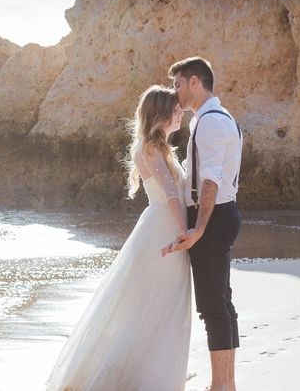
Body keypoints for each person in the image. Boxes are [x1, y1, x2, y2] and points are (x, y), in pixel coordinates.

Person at [45, 85, 191, 391]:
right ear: (162, 114)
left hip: (155, 225)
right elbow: (171, 195)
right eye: (176, 109)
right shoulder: (153, 148)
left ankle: (147, 370)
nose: (181, 113)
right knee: (160, 302)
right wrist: (184, 232)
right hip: (164, 227)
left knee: (150, 304)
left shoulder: (151, 146)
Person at [162, 56, 243, 391]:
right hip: (223, 214)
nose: (175, 91)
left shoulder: (210, 122)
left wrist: (199, 229)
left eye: (178, 84)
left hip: (213, 216)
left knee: (213, 306)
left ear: (195, 82)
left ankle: (221, 386)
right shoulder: (215, 118)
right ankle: (226, 384)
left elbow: (210, 180)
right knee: (221, 301)